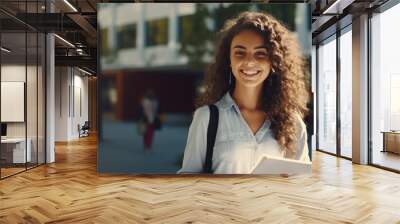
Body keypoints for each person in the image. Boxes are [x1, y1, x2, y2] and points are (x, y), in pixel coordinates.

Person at [178, 11, 310, 174]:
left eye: (260, 53)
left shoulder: (293, 123)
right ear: (229, 60)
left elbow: (301, 182)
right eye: (240, 52)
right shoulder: (206, 117)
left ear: (274, 61)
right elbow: (188, 180)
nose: (249, 61)